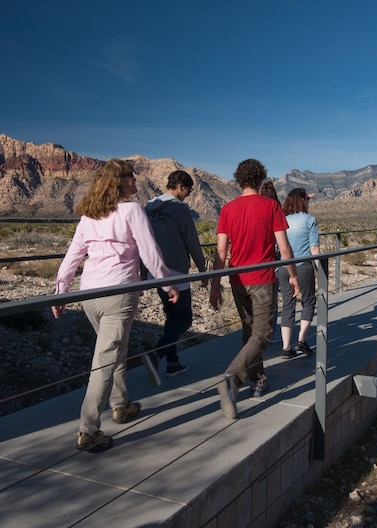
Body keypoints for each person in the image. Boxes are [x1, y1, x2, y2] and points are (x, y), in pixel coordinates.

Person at [52, 159, 179, 452]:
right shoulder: (132, 210)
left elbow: (73, 255)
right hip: (119, 293)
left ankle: (120, 405)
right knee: (105, 360)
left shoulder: (89, 216)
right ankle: (89, 429)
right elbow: (150, 251)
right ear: (118, 182)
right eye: (130, 178)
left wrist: (61, 290)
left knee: (114, 348)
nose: (135, 182)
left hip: (90, 295)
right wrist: (167, 284)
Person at [210, 159, 299, 418]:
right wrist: (293, 275)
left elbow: (221, 252)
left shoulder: (228, 209)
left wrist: (216, 285)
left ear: (239, 180)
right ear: (261, 179)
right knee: (263, 333)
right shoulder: (271, 206)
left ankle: (257, 379)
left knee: (250, 331)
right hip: (262, 279)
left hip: (237, 279)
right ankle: (232, 378)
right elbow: (284, 248)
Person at [142, 170, 208, 380]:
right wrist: (202, 269)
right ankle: (156, 353)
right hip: (175, 272)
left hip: (154, 271)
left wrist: (143, 273)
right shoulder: (179, 209)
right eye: (188, 189)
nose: (188, 194)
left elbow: (142, 241)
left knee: (172, 317)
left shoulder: (150, 206)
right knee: (185, 319)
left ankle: (173, 363)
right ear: (180, 185)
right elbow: (192, 241)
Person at [278, 188, 321, 359]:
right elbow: (314, 248)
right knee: (309, 302)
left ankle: (286, 347)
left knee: (288, 304)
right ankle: (302, 340)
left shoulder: (283, 220)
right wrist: (321, 269)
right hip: (303, 266)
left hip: (283, 266)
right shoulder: (309, 220)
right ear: (302, 200)